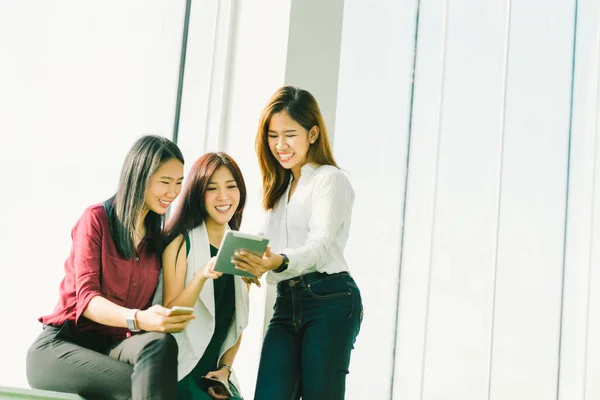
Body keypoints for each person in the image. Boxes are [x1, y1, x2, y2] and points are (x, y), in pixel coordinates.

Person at [26, 135, 192, 400]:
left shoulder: (155, 241)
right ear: (140, 176)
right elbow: (88, 301)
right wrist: (139, 317)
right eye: (165, 182)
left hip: (110, 348)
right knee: (142, 387)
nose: (172, 192)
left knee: (159, 343)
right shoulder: (96, 220)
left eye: (179, 183)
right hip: (61, 346)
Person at [233, 86, 363, 399]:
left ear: (313, 133)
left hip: (330, 299)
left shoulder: (330, 179)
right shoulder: (277, 192)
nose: (280, 145)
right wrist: (247, 263)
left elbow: (319, 248)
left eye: (290, 134)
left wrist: (278, 261)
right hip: (286, 303)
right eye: (272, 135)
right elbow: (262, 246)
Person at [154, 152, 249, 399]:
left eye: (231, 186)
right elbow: (171, 316)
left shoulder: (242, 250)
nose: (223, 196)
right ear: (198, 193)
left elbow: (236, 325)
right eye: (212, 188)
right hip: (180, 371)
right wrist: (201, 276)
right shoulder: (179, 243)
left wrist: (225, 370)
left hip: (215, 379)